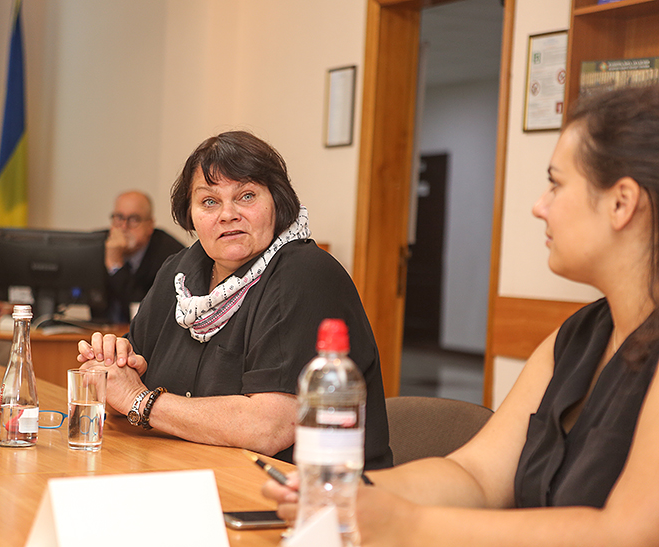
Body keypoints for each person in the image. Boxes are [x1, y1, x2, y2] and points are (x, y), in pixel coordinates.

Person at [263, 84, 659, 545]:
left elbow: (626, 533)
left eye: (556, 184)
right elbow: (476, 476)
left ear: (621, 202)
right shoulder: (575, 338)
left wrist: (407, 524)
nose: (540, 206)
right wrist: (345, 493)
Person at [77, 130, 392, 468]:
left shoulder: (305, 274)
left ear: (278, 202)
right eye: (209, 202)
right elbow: (124, 394)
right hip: (191, 473)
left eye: (246, 196)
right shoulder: (179, 273)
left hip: (305, 489)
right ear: (190, 215)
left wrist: (140, 400)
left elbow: (269, 428)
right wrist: (109, 371)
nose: (227, 214)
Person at [102, 190, 185, 323]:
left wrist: (115, 266)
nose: (123, 226)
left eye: (134, 219)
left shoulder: (171, 255)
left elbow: (144, 312)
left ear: (150, 225)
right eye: (119, 218)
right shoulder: (103, 244)